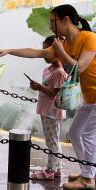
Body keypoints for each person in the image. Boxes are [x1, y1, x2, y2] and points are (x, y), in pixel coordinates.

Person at [0, 5, 96, 190]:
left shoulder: (89, 38)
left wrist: (60, 51)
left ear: (66, 20)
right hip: (91, 97)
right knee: (75, 133)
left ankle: (87, 179)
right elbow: (36, 53)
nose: (51, 26)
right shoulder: (64, 44)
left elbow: (79, 68)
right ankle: (90, 172)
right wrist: (8, 50)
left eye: (53, 22)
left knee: (90, 136)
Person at [29, 36, 68, 180]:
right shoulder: (48, 69)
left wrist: (39, 87)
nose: (44, 53)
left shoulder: (59, 72)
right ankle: (57, 168)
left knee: (52, 142)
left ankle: (50, 171)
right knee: (52, 140)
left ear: (57, 51)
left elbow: (54, 94)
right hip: (45, 109)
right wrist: (38, 87)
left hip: (52, 111)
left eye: (47, 50)